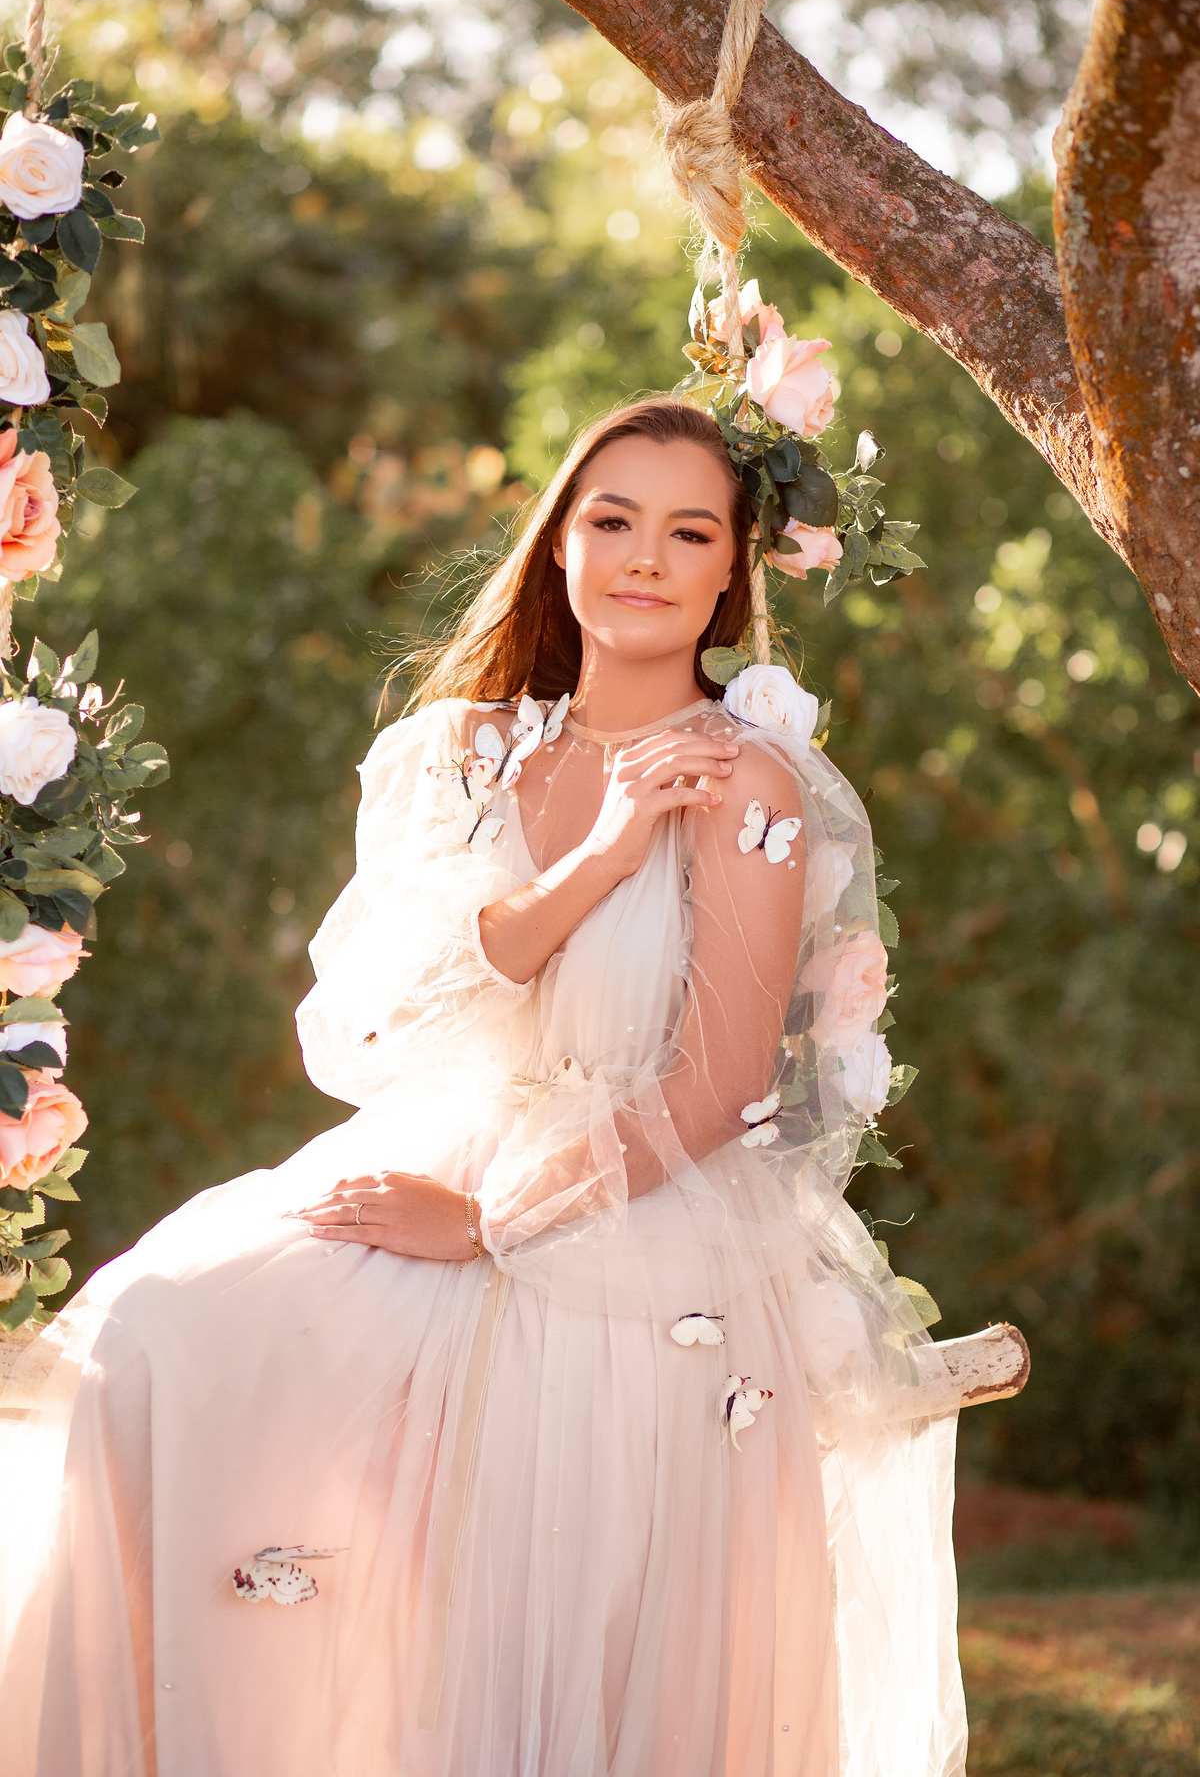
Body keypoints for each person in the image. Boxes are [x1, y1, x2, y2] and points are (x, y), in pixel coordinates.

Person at [0, 399, 967, 1776]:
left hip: (636, 1208)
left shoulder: (744, 779)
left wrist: (498, 1224)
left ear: (731, 575)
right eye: (611, 519)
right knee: (154, 1333)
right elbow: (372, 1021)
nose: (645, 556)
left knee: (521, 1574)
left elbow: (720, 1087)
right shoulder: (453, 755)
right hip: (433, 1142)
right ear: (559, 544)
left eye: (689, 531)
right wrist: (602, 853)